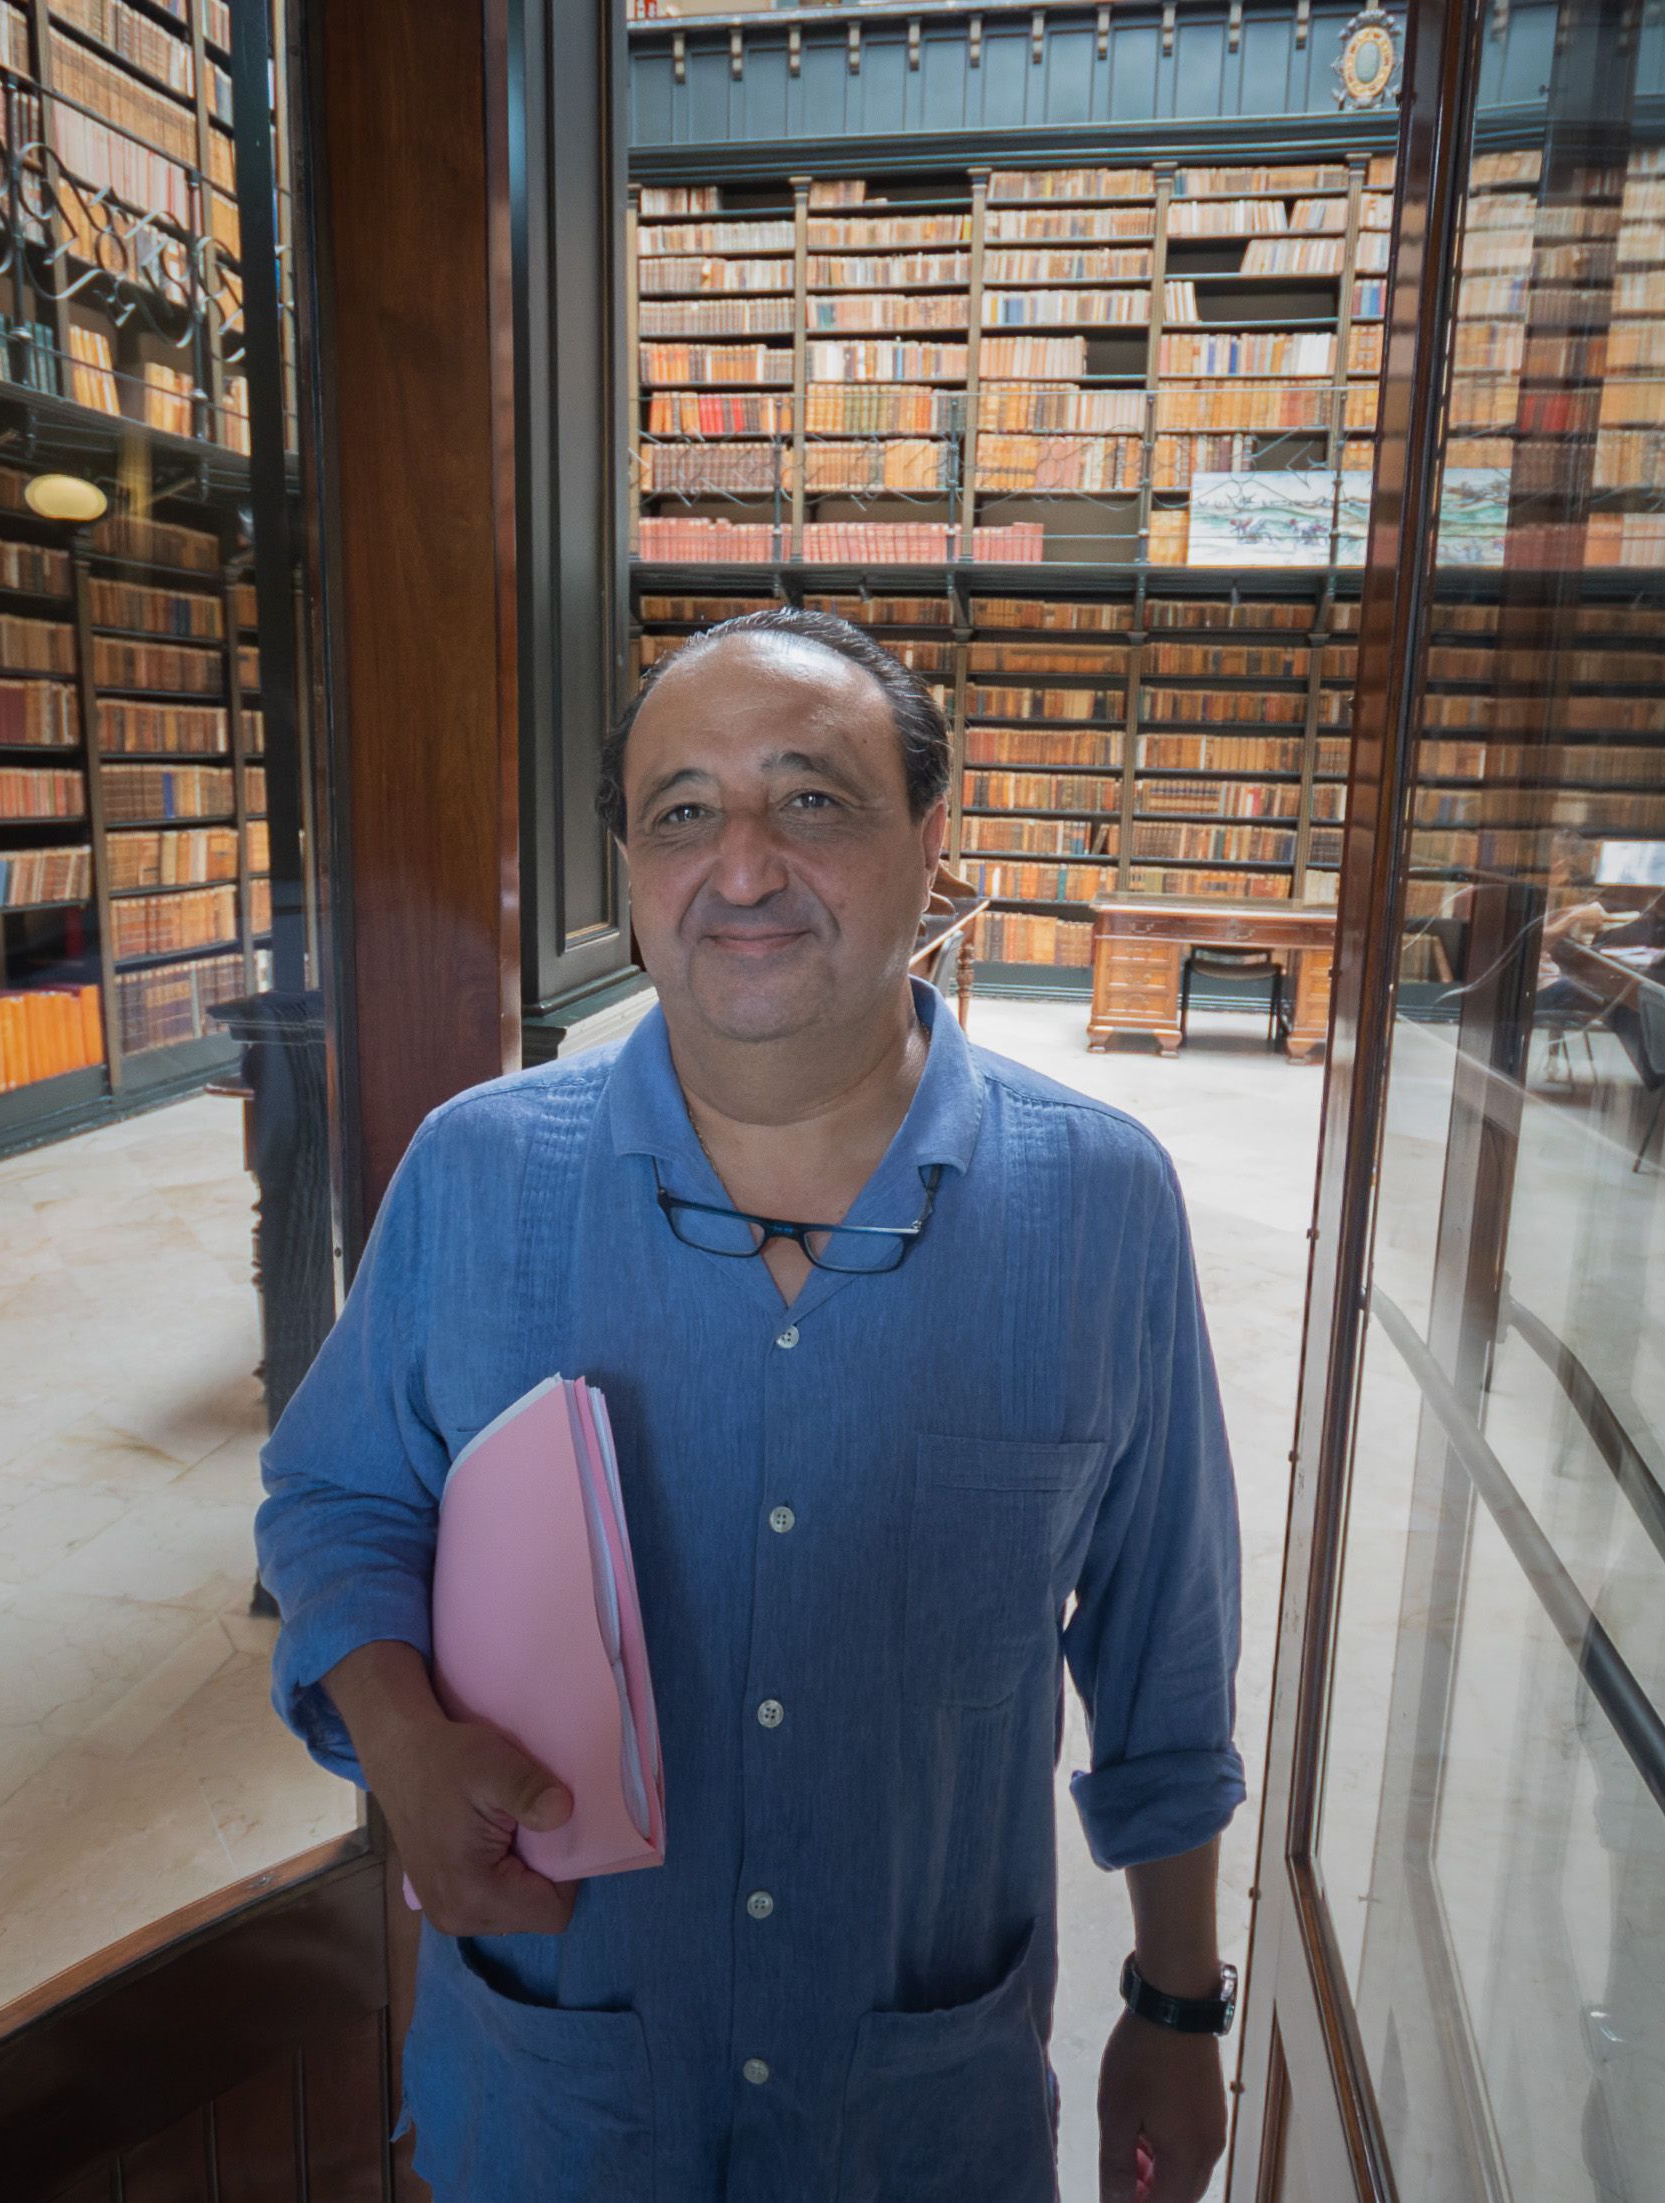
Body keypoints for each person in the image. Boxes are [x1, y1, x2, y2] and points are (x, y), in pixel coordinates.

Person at [255, 608, 1247, 2201]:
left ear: (932, 837)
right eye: (683, 813)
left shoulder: (1098, 1203)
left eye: (811, 800)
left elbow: (1162, 1645)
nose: (742, 867)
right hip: (563, 2101)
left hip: (913, 2117)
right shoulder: (476, 1173)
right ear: (630, 870)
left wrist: (1178, 2002)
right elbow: (338, 1498)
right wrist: (399, 1739)